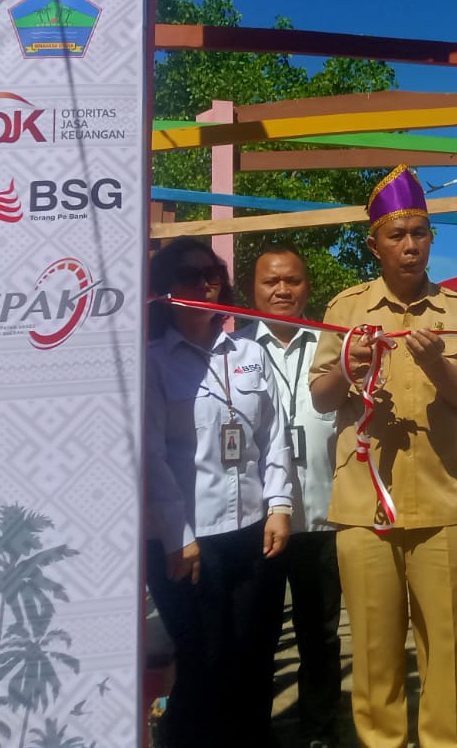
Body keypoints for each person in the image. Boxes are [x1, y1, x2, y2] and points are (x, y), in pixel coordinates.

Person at [308, 166, 457, 748]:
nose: (410, 245)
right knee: (375, 653)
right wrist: (349, 368)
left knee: (448, 651)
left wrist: (438, 364)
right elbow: (320, 397)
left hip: (443, 505)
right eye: (397, 235)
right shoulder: (346, 308)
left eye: (419, 233)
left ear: (432, 239)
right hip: (365, 509)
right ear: (375, 245)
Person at [145, 237, 293, 747]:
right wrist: (177, 536)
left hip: (252, 531)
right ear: (166, 289)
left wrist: (280, 506)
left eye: (212, 275)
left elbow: (274, 435)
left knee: (252, 654)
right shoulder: (152, 362)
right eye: (189, 276)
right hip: (188, 541)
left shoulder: (250, 354)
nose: (205, 284)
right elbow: (150, 455)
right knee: (203, 662)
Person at [241, 243, 345, 748]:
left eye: (293, 280)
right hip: (258, 520)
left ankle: (320, 730)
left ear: (308, 287)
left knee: (320, 635)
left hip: (323, 515)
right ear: (252, 290)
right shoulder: (233, 349)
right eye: (271, 281)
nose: (282, 289)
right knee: (256, 636)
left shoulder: (335, 345)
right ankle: (254, 730)